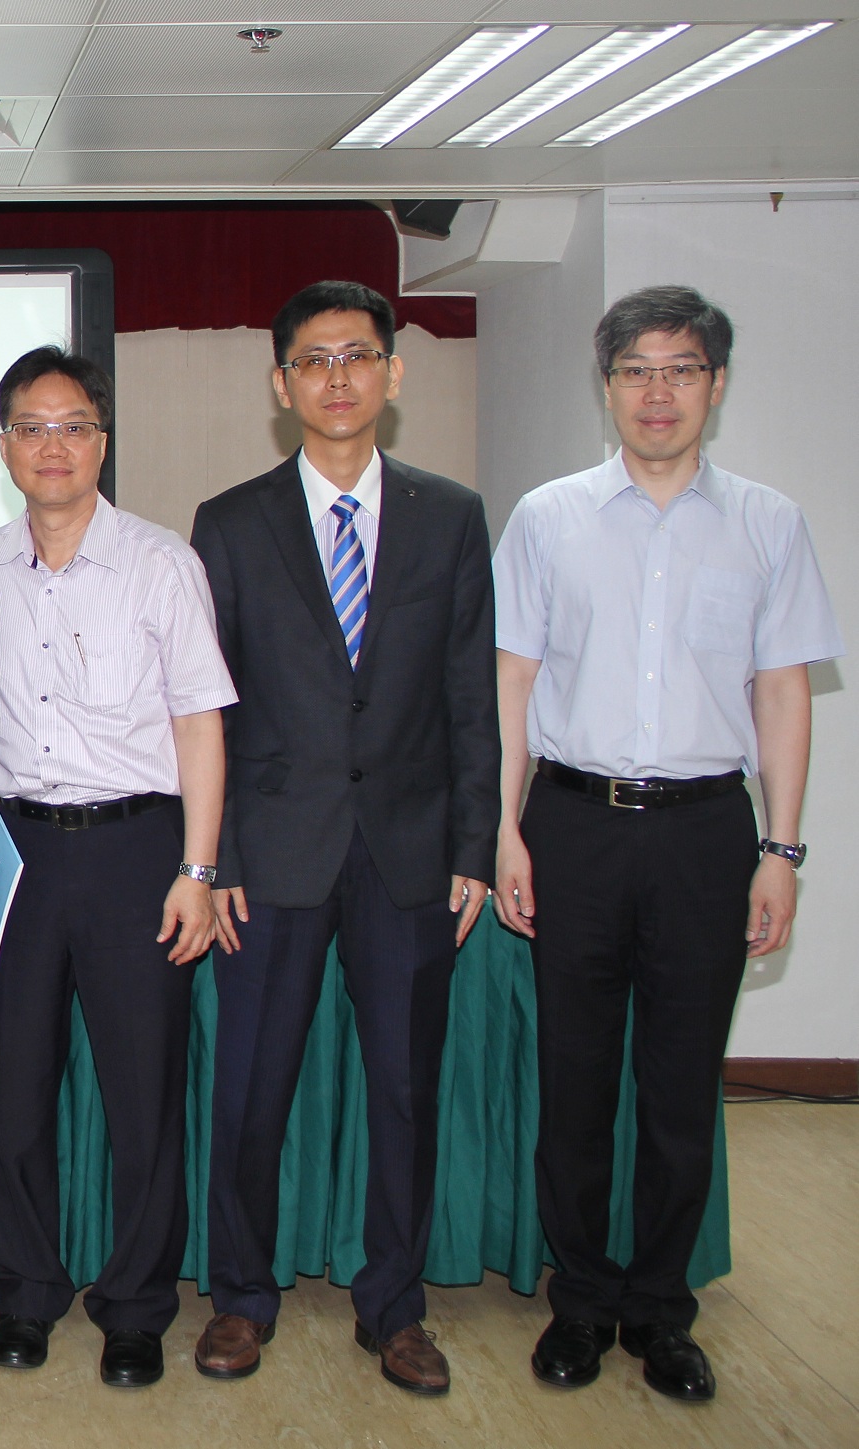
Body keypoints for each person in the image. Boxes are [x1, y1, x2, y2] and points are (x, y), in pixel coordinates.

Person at [493, 286, 838, 1403]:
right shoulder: (547, 517)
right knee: (576, 1081)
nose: (657, 392)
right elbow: (511, 683)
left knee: (683, 1087)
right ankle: (581, 1302)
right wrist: (503, 828)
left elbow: (781, 693)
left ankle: (659, 1309)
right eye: (636, 370)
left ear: (715, 385)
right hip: (573, 825)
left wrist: (781, 849)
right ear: (606, 388)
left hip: (705, 832)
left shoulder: (767, 524)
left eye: (681, 369)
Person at [187, 281, 499, 1394]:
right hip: (272, 855)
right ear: (281, 384)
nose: (336, 378)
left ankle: (394, 1307)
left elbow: (470, 696)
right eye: (312, 360)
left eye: (357, 356)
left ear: (392, 373)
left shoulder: (450, 515)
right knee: (250, 1090)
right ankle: (240, 1296)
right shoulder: (230, 522)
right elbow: (210, 706)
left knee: (404, 1093)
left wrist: (472, 846)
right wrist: (216, 857)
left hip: (409, 857)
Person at [0, 346, 235, 1389]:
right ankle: (26, 1291)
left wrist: (198, 868)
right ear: (5, 447)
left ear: (102, 441)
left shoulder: (163, 563)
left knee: (143, 1093)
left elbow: (201, 724)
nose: (54, 446)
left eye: (73, 426)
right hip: (14, 856)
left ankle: (136, 1305)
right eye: (32, 428)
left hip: (138, 850)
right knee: (14, 1086)